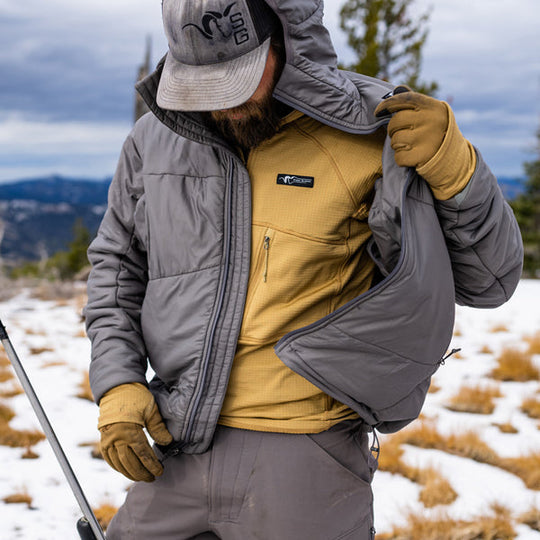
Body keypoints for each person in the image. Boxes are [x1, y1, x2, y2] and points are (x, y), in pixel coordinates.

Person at [84, 0, 523, 538]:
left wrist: (457, 171)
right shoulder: (151, 142)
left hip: (308, 457)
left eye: (237, 77)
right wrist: (118, 385)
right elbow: (116, 268)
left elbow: (491, 279)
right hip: (177, 441)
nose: (223, 104)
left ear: (286, 40)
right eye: (204, 83)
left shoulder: (374, 131)